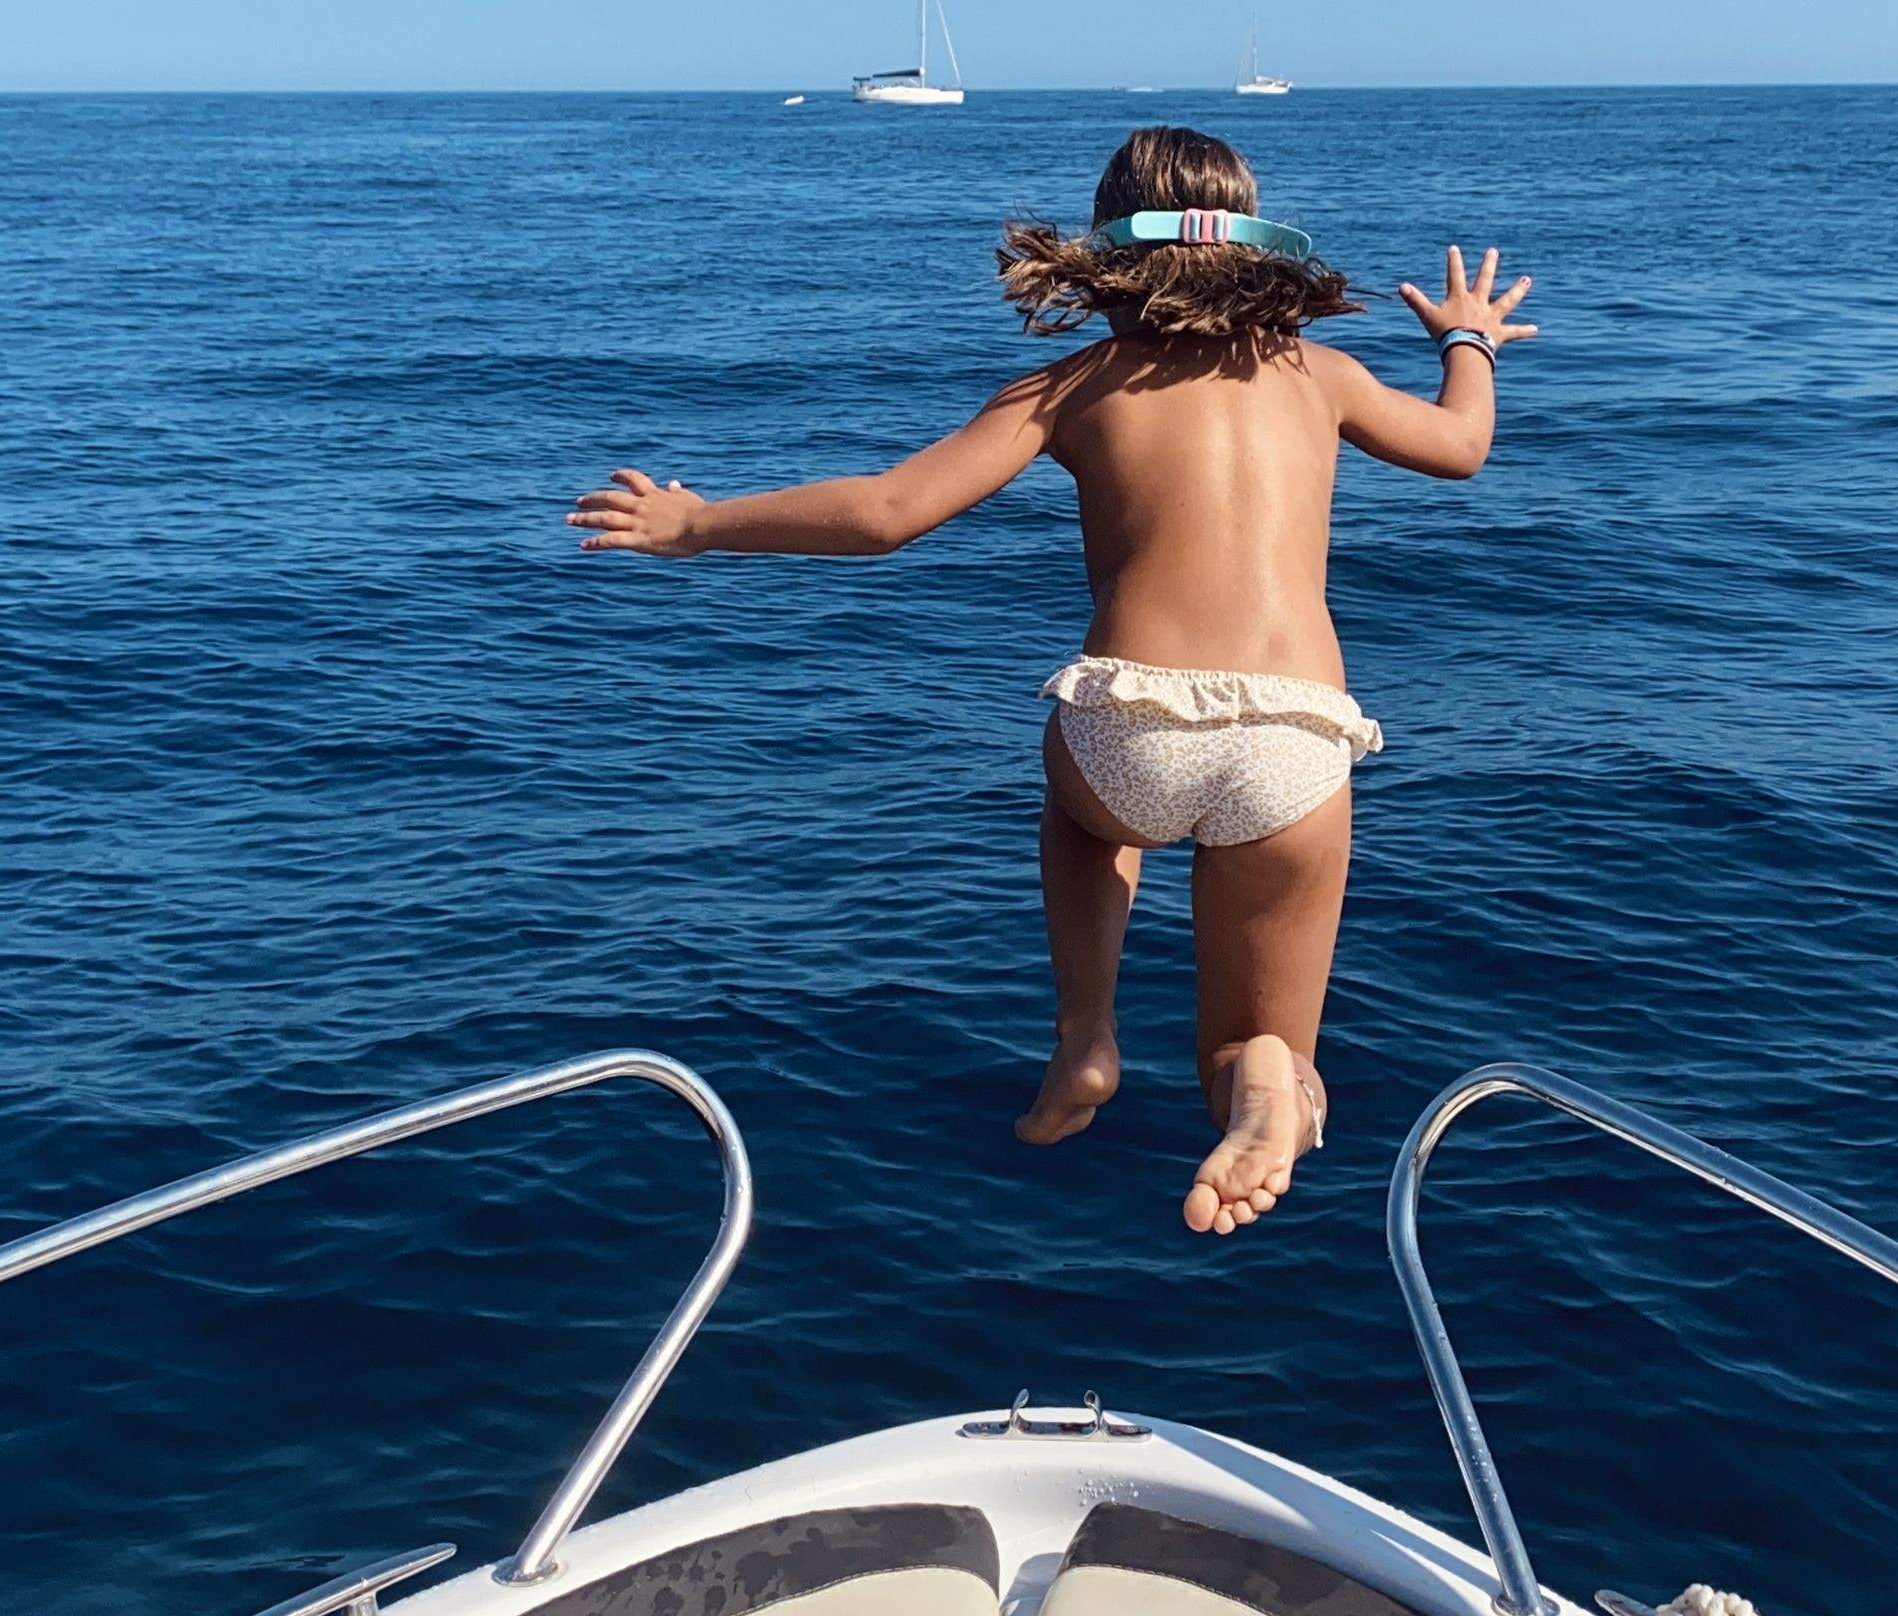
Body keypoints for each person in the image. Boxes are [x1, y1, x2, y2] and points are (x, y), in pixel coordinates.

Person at [568, 125, 1533, 1234]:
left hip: (1130, 714)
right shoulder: (1321, 376)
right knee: (1248, 1036)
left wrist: (697, 523)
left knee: (1087, 824)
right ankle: (1268, 1081)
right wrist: (1469, 339)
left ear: (1109, 248)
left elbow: (887, 514)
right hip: (1297, 735)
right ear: (1255, 240)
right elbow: (1461, 448)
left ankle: (1085, 1037)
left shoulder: (1071, 384)